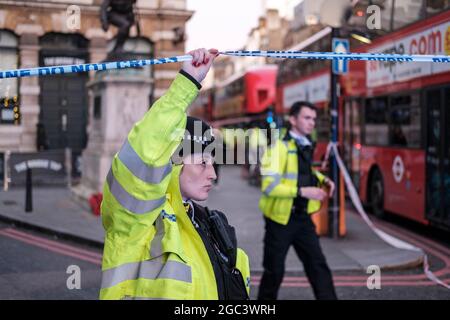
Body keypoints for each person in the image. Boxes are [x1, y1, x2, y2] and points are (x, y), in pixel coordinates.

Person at [100, 48, 250, 300]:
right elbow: (147, 151)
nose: (212, 174)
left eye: (213, 162)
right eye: (202, 162)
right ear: (174, 164)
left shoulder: (210, 222)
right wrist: (187, 82)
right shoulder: (137, 219)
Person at [258, 101, 337, 300]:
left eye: (314, 119)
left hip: (302, 219)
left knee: (318, 267)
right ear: (293, 120)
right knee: (273, 273)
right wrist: (303, 192)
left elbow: (302, 172)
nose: (312, 123)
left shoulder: (304, 144)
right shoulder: (278, 148)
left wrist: (322, 179)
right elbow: (269, 186)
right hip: (279, 221)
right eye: (307, 118)